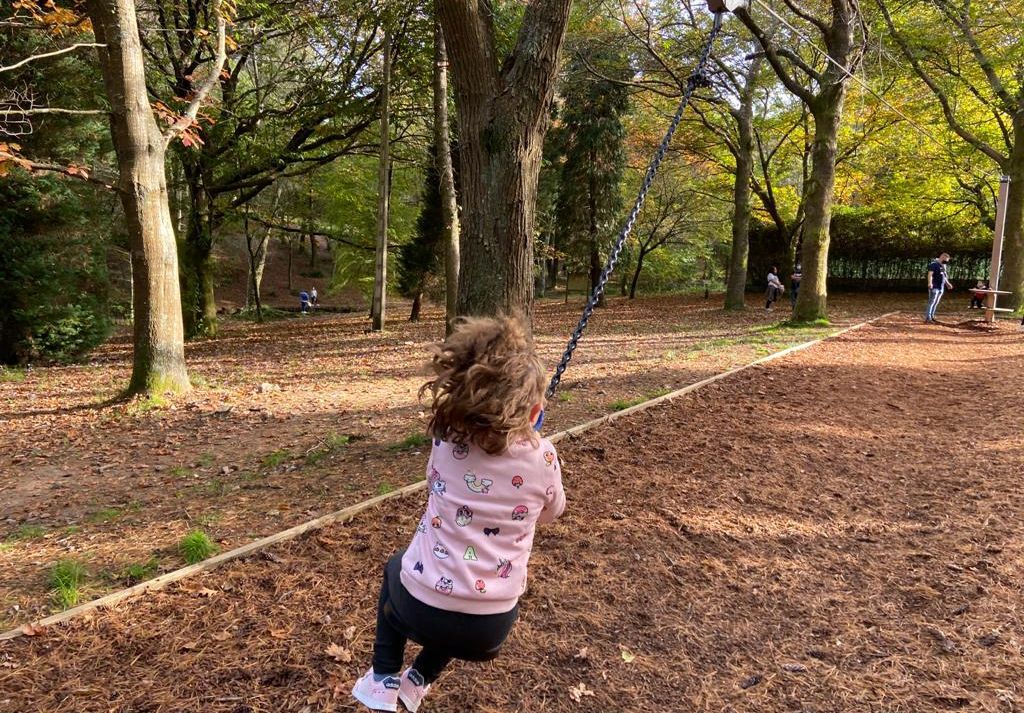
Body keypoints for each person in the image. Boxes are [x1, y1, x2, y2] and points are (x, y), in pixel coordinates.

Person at [351, 316, 566, 713]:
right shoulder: (544, 456)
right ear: (534, 411)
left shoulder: (446, 444)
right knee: (466, 594)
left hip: (418, 605)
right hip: (490, 626)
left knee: (398, 567)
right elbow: (553, 512)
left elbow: (435, 482)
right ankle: (419, 680)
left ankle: (383, 678)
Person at [924, 252, 953, 323]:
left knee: (936, 302)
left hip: (941, 287)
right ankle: (928, 318)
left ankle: (932, 316)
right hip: (934, 287)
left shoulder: (942, 266)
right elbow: (930, 274)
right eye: (945, 260)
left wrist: (947, 283)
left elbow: (944, 276)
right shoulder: (933, 265)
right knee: (932, 302)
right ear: (942, 257)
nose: (946, 262)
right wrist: (930, 283)